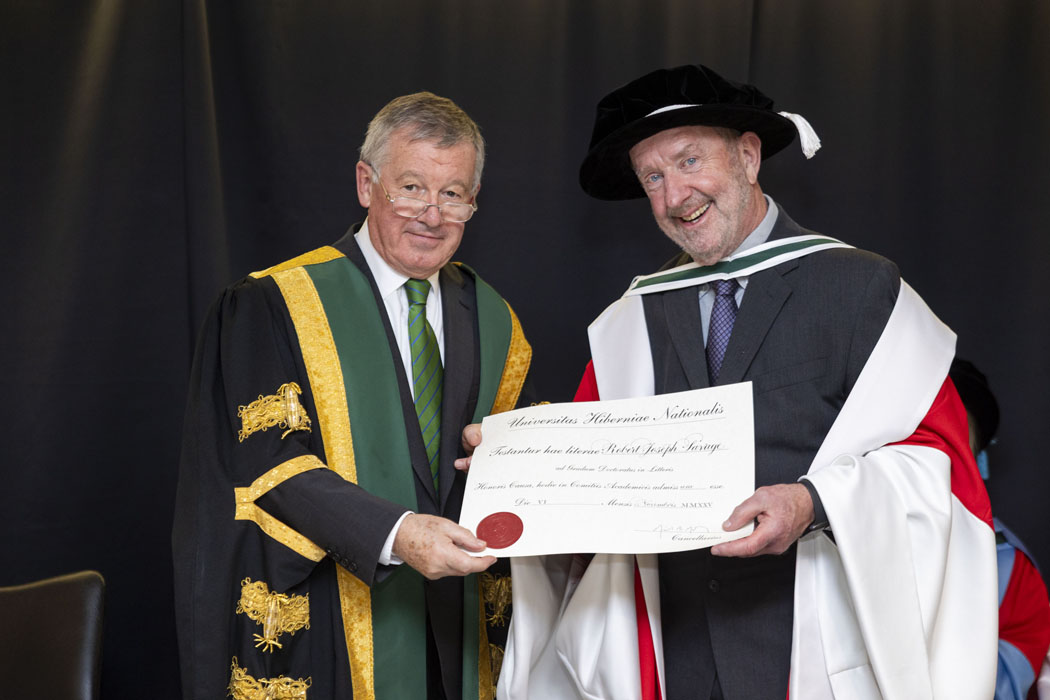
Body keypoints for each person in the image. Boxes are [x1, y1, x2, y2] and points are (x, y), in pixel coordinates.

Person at [493, 64, 998, 700]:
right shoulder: (630, 319)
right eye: (653, 176)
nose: (676, 195)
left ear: (749, 157)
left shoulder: (860, 289)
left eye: (689, 160)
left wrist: (812, 502)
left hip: (811, 643)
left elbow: (940, 463)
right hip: (671, 651)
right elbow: (591, 475)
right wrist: (518, 470)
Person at [173, 91, 532, 700]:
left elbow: (497, 463)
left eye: (454, 195)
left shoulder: (493, 318)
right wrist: (399, 533)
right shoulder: (276, 304)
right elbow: (271, 468)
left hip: (454, 631)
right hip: (334, 626)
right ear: (367, 184)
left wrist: (524, 454)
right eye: (411, 187)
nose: (433, 214)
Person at [949, 358, 1050, 700]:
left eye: (950, 442)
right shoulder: (833, 537)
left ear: (974, 458)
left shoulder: (1011, 567)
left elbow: (1011, 684)